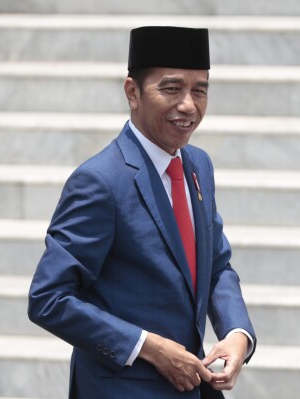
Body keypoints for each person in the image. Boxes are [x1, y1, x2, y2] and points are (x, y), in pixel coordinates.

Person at [28, 26, 256, 398]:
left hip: (193, 385)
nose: (188, 105)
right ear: (132, 92)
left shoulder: (199, 165)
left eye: (200, 90)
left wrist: (237, 334)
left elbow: (216, 266)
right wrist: (148, 346)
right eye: (171, 88)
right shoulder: (100, 180)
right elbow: (49, 298)